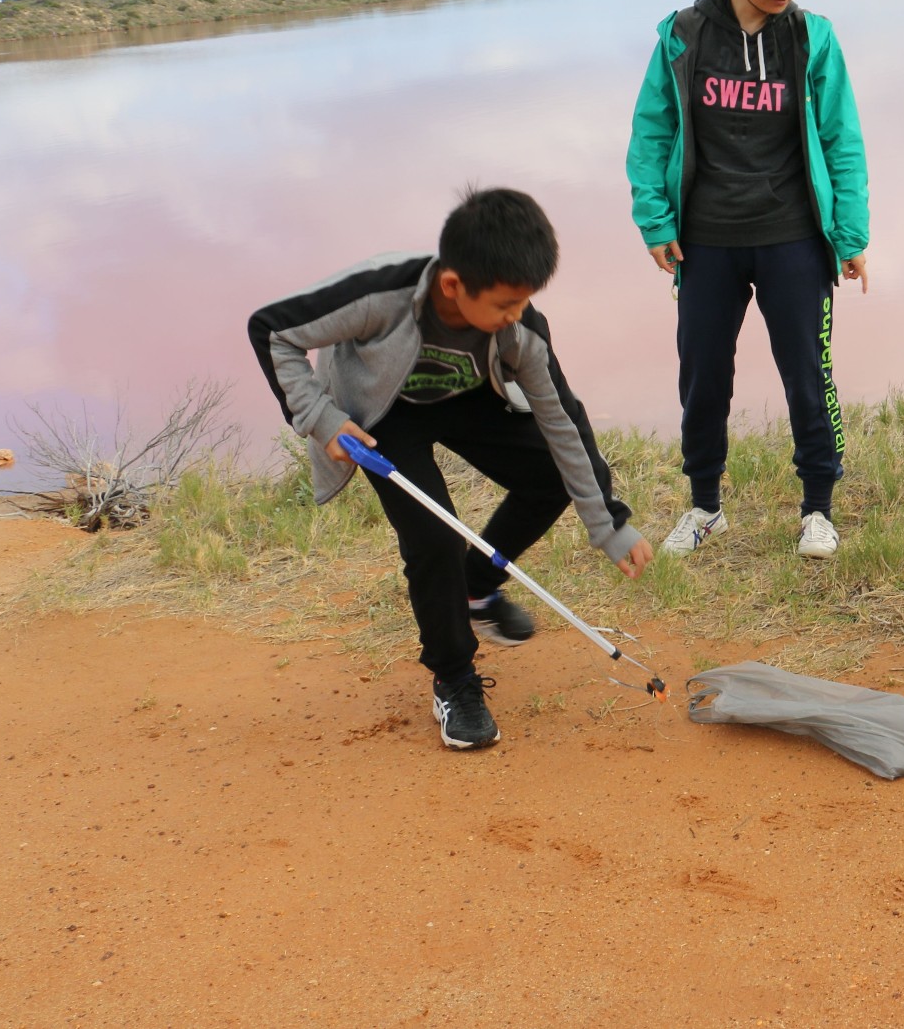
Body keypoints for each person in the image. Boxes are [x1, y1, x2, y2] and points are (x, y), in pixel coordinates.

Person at [248, 188, 654, 750]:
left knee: (549, 474)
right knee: (433, 535)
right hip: (383, 416)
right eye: (506, 305)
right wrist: (322, 417)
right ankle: (455, 679)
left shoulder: (520, 328)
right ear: (452, 286)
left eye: (523, 304)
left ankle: (475, 588)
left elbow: (562, 418)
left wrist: (607, 522)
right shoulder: (377, 294)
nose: (516, 317)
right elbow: (272, 329)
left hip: (467, 399)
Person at [626, 0, 872, 561]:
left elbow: (841, 137)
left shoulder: (811, 38)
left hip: (794, 235)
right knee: (702, 374)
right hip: (704, 239)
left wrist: (849, 236)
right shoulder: (684, 34)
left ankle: (817, 508)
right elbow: (653, 132)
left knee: (807, 373)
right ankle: (705, 506)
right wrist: (654, 220)